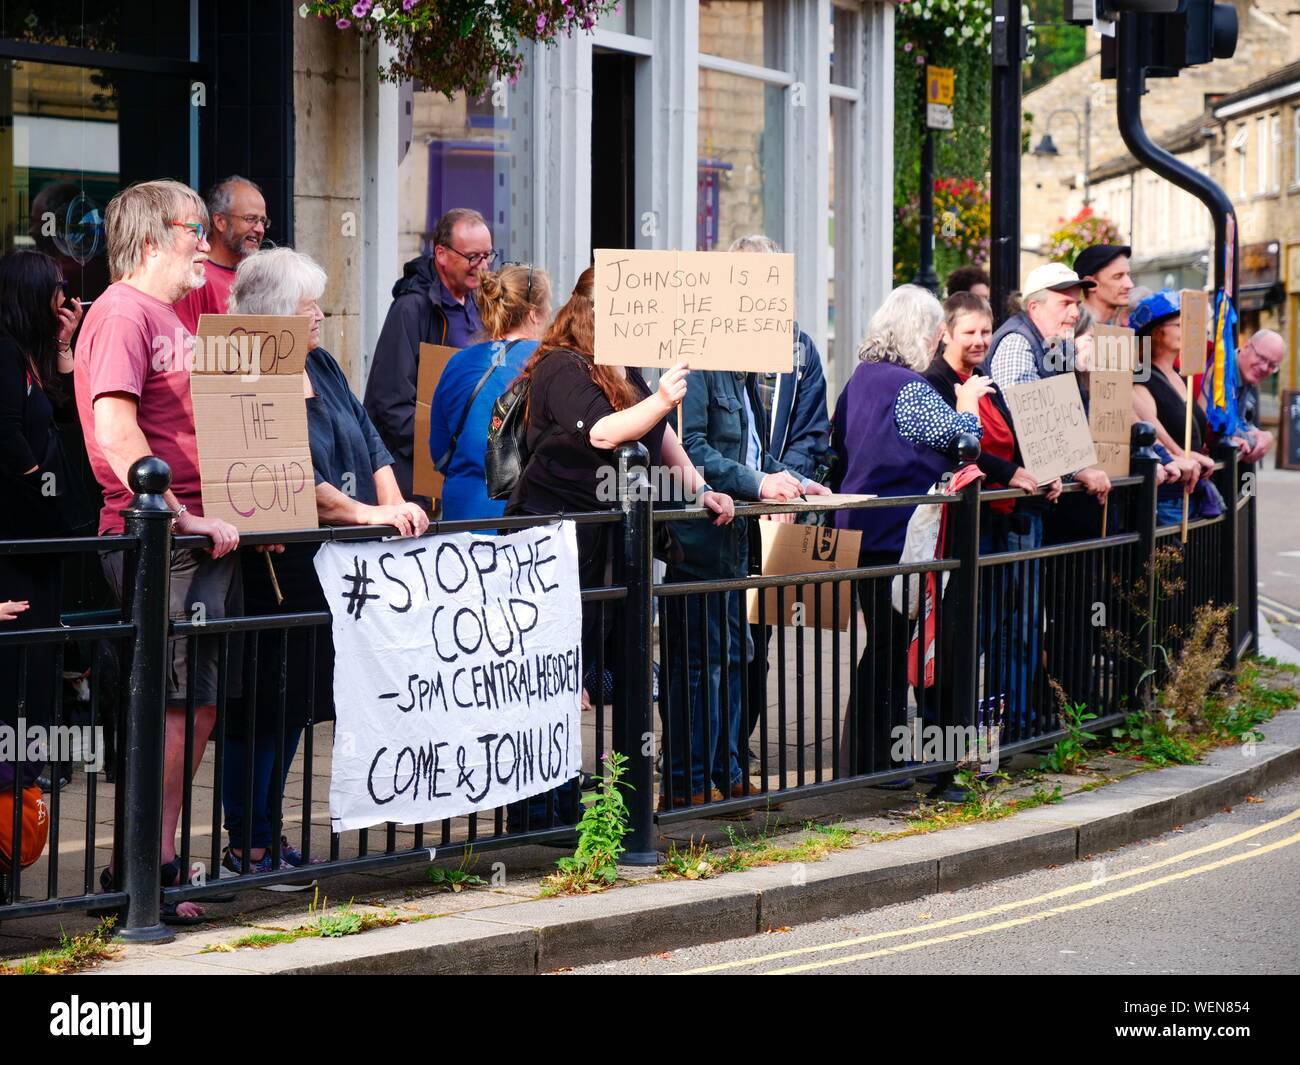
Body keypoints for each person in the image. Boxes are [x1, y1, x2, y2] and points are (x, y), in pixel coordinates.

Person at [221, 247, 428, 874]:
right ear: (276, 313)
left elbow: (369, 437)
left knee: (296, 706)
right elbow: (291, 477)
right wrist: (368, 514)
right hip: (275, 571)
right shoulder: (247, 369)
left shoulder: (322, 362)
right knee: (257, 708)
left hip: (332, 568)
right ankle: (247, 843)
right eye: (308, 304)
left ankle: (269, 831)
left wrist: (394, 504)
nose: (319, 314)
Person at [507, 267, 735, 823]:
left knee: (621, 671)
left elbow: (661, 438)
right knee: (555, 677)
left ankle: (620, 802)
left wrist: (701, 489)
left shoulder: (622, 366)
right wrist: (659, 398)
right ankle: (541, 811)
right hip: (553, 544)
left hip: (610, 543)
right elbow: (607, 431)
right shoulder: (561, 366)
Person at [74, 179, 243, 924]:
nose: (205, 241)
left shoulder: (177, 310)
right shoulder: (119, 313)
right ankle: (148, 872)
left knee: (197, 710)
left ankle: (153, 855)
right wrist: (181, 515)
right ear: (150, 239)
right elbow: (117, 435)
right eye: (193, 229)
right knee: (170, 710)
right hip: (160, 541)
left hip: (203, 538)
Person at [830, 285, 987, 777]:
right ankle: (874, 759)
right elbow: (964, 441)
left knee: (884, 643)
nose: (941, 339)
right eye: (937, 329)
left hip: (861, 527)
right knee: (891, 645)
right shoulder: (909, 387)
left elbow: (838, 445)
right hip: (896, 533)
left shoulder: (860, 378)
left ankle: (867, 756)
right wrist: (967, 403)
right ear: (919, 332)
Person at [669, 337, 832, 808]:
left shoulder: (743, 375)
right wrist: (760, 483)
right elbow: (690, 448)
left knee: (736, 654)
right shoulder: (698, 365)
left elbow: (756, 455)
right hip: (699, 540)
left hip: (733, 540)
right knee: (701, 661)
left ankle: (729, 772)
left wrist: (798, 482)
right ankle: (689, 782)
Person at [728, 235, 832, 746]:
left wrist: (785, 487)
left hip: (774, 513)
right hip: (722, 507)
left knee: (758, 632)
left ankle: (736, 747)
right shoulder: (712, 340)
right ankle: (702, 750)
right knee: (712, 636)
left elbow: (812, 429)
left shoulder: (799, 348)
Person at [0, 249, 86, 806]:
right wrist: (37, 479)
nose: (66, 298)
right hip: (17, 542)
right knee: (15, 680)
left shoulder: (27, 356)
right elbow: (6, 433)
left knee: (36, 671)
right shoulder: (4, 354)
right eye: (57, 288)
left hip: (39, 539)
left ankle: (19, 798)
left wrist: (62, 346)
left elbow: (68, 414)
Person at [365, 208, 495, 498]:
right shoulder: (411, 309)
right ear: (442, 255)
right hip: (419, 475)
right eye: (473, 257)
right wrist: (440, 451)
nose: (483, 266)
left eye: (488, 255)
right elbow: (391, 402)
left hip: (466, 465)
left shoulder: (482, 303)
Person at [428, 263, 551, 520]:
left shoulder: (458, 363)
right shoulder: (552, 362)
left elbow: (439, 453)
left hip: (462, 516)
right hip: (525, 520)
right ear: (533, 314)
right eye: (548, 305)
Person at [1130, 291, 1221, 526]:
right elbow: (1150, 432)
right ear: (1157, 332)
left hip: (1186, 491)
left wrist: (1211, 381)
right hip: (1166, 497)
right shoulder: (1143, 377)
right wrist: (1181, 456)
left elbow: (1194, 423)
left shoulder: (1179, 375)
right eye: (1179, 324)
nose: (1187, 331)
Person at [173, 176, 268, 333]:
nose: (260, 229)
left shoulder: (259, 277)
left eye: (263, 221)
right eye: (250, 219)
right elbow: (185, 348)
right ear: (220, 222)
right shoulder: (195, 276)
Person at [1229, 329, 1285, 462]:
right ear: (1247, 346)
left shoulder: (1246, 377)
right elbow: (1223, 430)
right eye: (1261, 358)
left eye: (1272, 365)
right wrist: (1259, 438)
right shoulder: (1222, 373)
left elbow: (1242, 424)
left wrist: (1266, 436)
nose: (1265, 368)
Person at [1074, 244, 1134, 328]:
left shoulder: (1122, 328)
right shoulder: (1071, 330)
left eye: (1128, 275)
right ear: (1090, 284)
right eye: (1118, 276)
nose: (1130, 284)